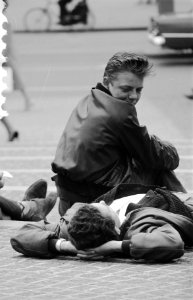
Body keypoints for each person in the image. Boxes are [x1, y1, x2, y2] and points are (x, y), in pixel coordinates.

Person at [51, 51, 186, 216]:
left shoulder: (91, 98)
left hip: (66, 196)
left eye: (139, 89)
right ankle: (185, 211)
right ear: (107, 82)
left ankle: (182, 208)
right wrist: (169, 149)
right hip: (92, 198)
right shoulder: (120, 112)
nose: (134, 96)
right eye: (126, 89)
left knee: (150, 160)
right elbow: (152, 155)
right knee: (159, 166)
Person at [10, 184, 193, 263]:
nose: (104, 202)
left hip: (142, 190)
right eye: (106, 208)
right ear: (115, 228)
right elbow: (172, 243)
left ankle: (27, 207)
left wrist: (65, 246)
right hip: (180, 203)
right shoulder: (141, 225)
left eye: (98, 204)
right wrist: (116, 246)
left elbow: (21, 235)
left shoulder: (74, 228)